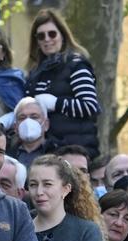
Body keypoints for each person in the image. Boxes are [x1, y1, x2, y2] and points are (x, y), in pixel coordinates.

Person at [24, 9, 100, 154]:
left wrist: (56, 103)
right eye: (41, 36)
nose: (47, 39)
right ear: (37, 41)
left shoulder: (76, 66)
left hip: (75, 151)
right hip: (44, 151)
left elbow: (90, 106)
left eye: (52, 34)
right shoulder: (34, 73)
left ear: (62, 36)